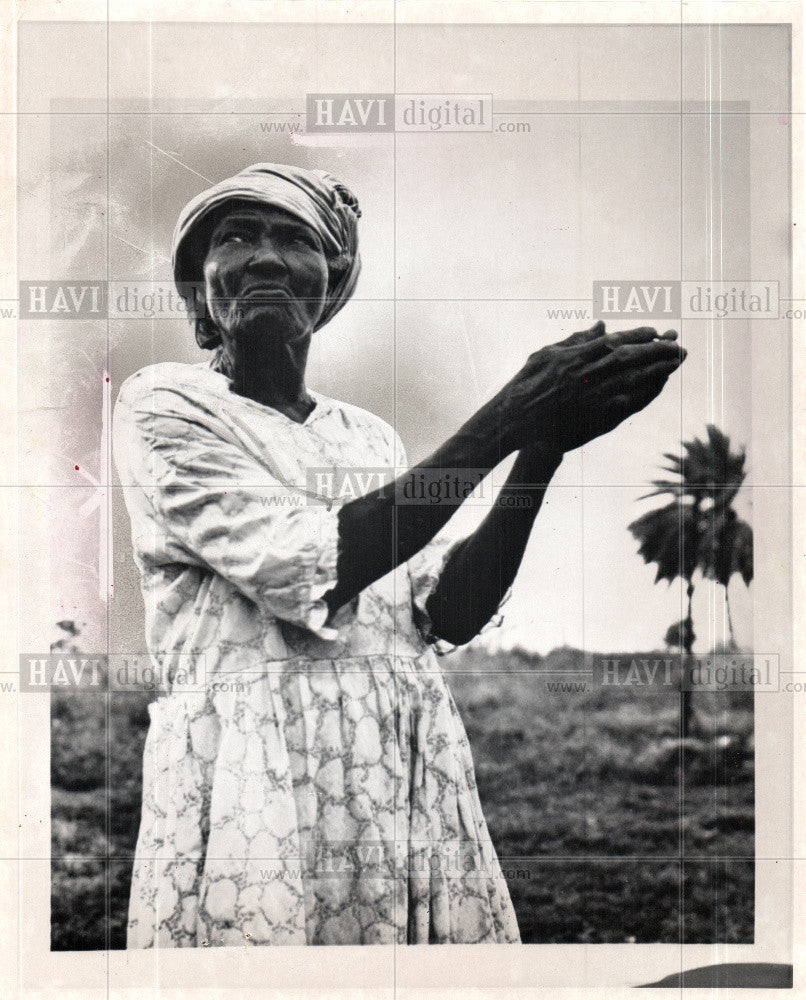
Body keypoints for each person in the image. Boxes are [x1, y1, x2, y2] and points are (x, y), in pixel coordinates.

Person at [113, 162, 685, 947]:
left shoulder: (368, 439)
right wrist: (507, 413)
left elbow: (447, 609)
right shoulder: (164, 404)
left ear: (332, 279)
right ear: (199, 288)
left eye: (295, 239)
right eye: (238, 236)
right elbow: (308, 564)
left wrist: (541, 447)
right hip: (255, 773)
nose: (268, 257)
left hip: (391, 768)